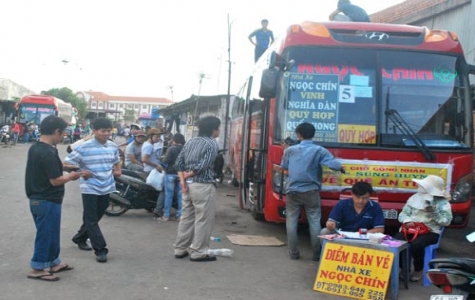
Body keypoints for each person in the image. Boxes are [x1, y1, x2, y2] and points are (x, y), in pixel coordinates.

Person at [25, 115, 84, 281]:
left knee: (51, 233)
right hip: (45, 199)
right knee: (45, 234)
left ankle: (53, 262)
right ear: (56, 131)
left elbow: (48, 168)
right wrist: (72, 176)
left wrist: (67, 166)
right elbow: (55, 180)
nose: (63, 136)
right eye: (63, 133)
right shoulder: (47, 152)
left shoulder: (37, 148)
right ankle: (37, 268)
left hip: (42, 199)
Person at [281, 122, 344, 261]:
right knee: (314, 222)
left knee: (291, 221)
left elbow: (284, 166)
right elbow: (333, 165)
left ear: (298, 134)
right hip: (311, 191)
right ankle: (316, 254)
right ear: (313, 134)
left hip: (292, 191)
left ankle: (293, 253)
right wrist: (341, 167)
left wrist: (286, 150)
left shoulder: (290, 150)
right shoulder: (319, 150)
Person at [65, 117, 121, 263]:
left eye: (109, 131)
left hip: (107, 186)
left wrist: (118, 170)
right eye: (103, 131)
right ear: (95, 131)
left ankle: (79, 237)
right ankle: (101, 250)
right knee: (91, 219)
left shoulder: (112, 146)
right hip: (89, 187)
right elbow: (66, 163)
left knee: (96, 217)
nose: (106, 134)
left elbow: (116, 160)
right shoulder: (84, 147)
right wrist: (82, 173)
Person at [173, 116, 220, 262]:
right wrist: (189, 174)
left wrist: (183, 180)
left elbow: (178, 163)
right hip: (203, 185)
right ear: (213, 129)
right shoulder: (212, 143)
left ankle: (180, 249)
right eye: (218, 128)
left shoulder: (191, 141)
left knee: (186, 217)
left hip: (187, 185)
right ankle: (198, 251)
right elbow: (203, 165)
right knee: (203, 219)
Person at [393, 175, 452, 282]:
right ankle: (403, 268)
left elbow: (446, 221)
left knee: (417, 244)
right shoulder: (414, 198)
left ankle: (418, 269)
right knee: (397, 240)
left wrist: (435, 214)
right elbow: (403, 214)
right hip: (411, 228)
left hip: (430, 231)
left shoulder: (443, 202)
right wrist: (407, 221)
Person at [320, 181, 384, 236]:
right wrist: (330, 225)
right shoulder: (342, 204)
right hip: (342, 235)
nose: (361, 201)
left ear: (369, 196)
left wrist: (359, 234)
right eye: (358, 197)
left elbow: (380, 229)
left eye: (365, 198)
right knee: (325, 231)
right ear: (352, 194)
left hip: (364, 236)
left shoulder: (375, 207)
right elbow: (331, 221)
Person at [160, 133, 185, 221]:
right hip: (182, 175)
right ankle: (179, 216)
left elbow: (165, 161)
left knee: (168, 195)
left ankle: (166, 215)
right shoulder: (186, 149)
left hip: (170, 173)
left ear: (174, 140)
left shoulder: (171, 149)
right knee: (180, 195)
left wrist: (162, 158)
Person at [142, 128, 166, 216]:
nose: (158, 139)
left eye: (159, 137)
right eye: (157, 137)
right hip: (151, 171)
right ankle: (158, 209)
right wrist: (156, 165)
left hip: (151, 170)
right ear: (151, 136)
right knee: (164, 189)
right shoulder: (149, 146)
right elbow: (144, 159)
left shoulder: (148, 145)